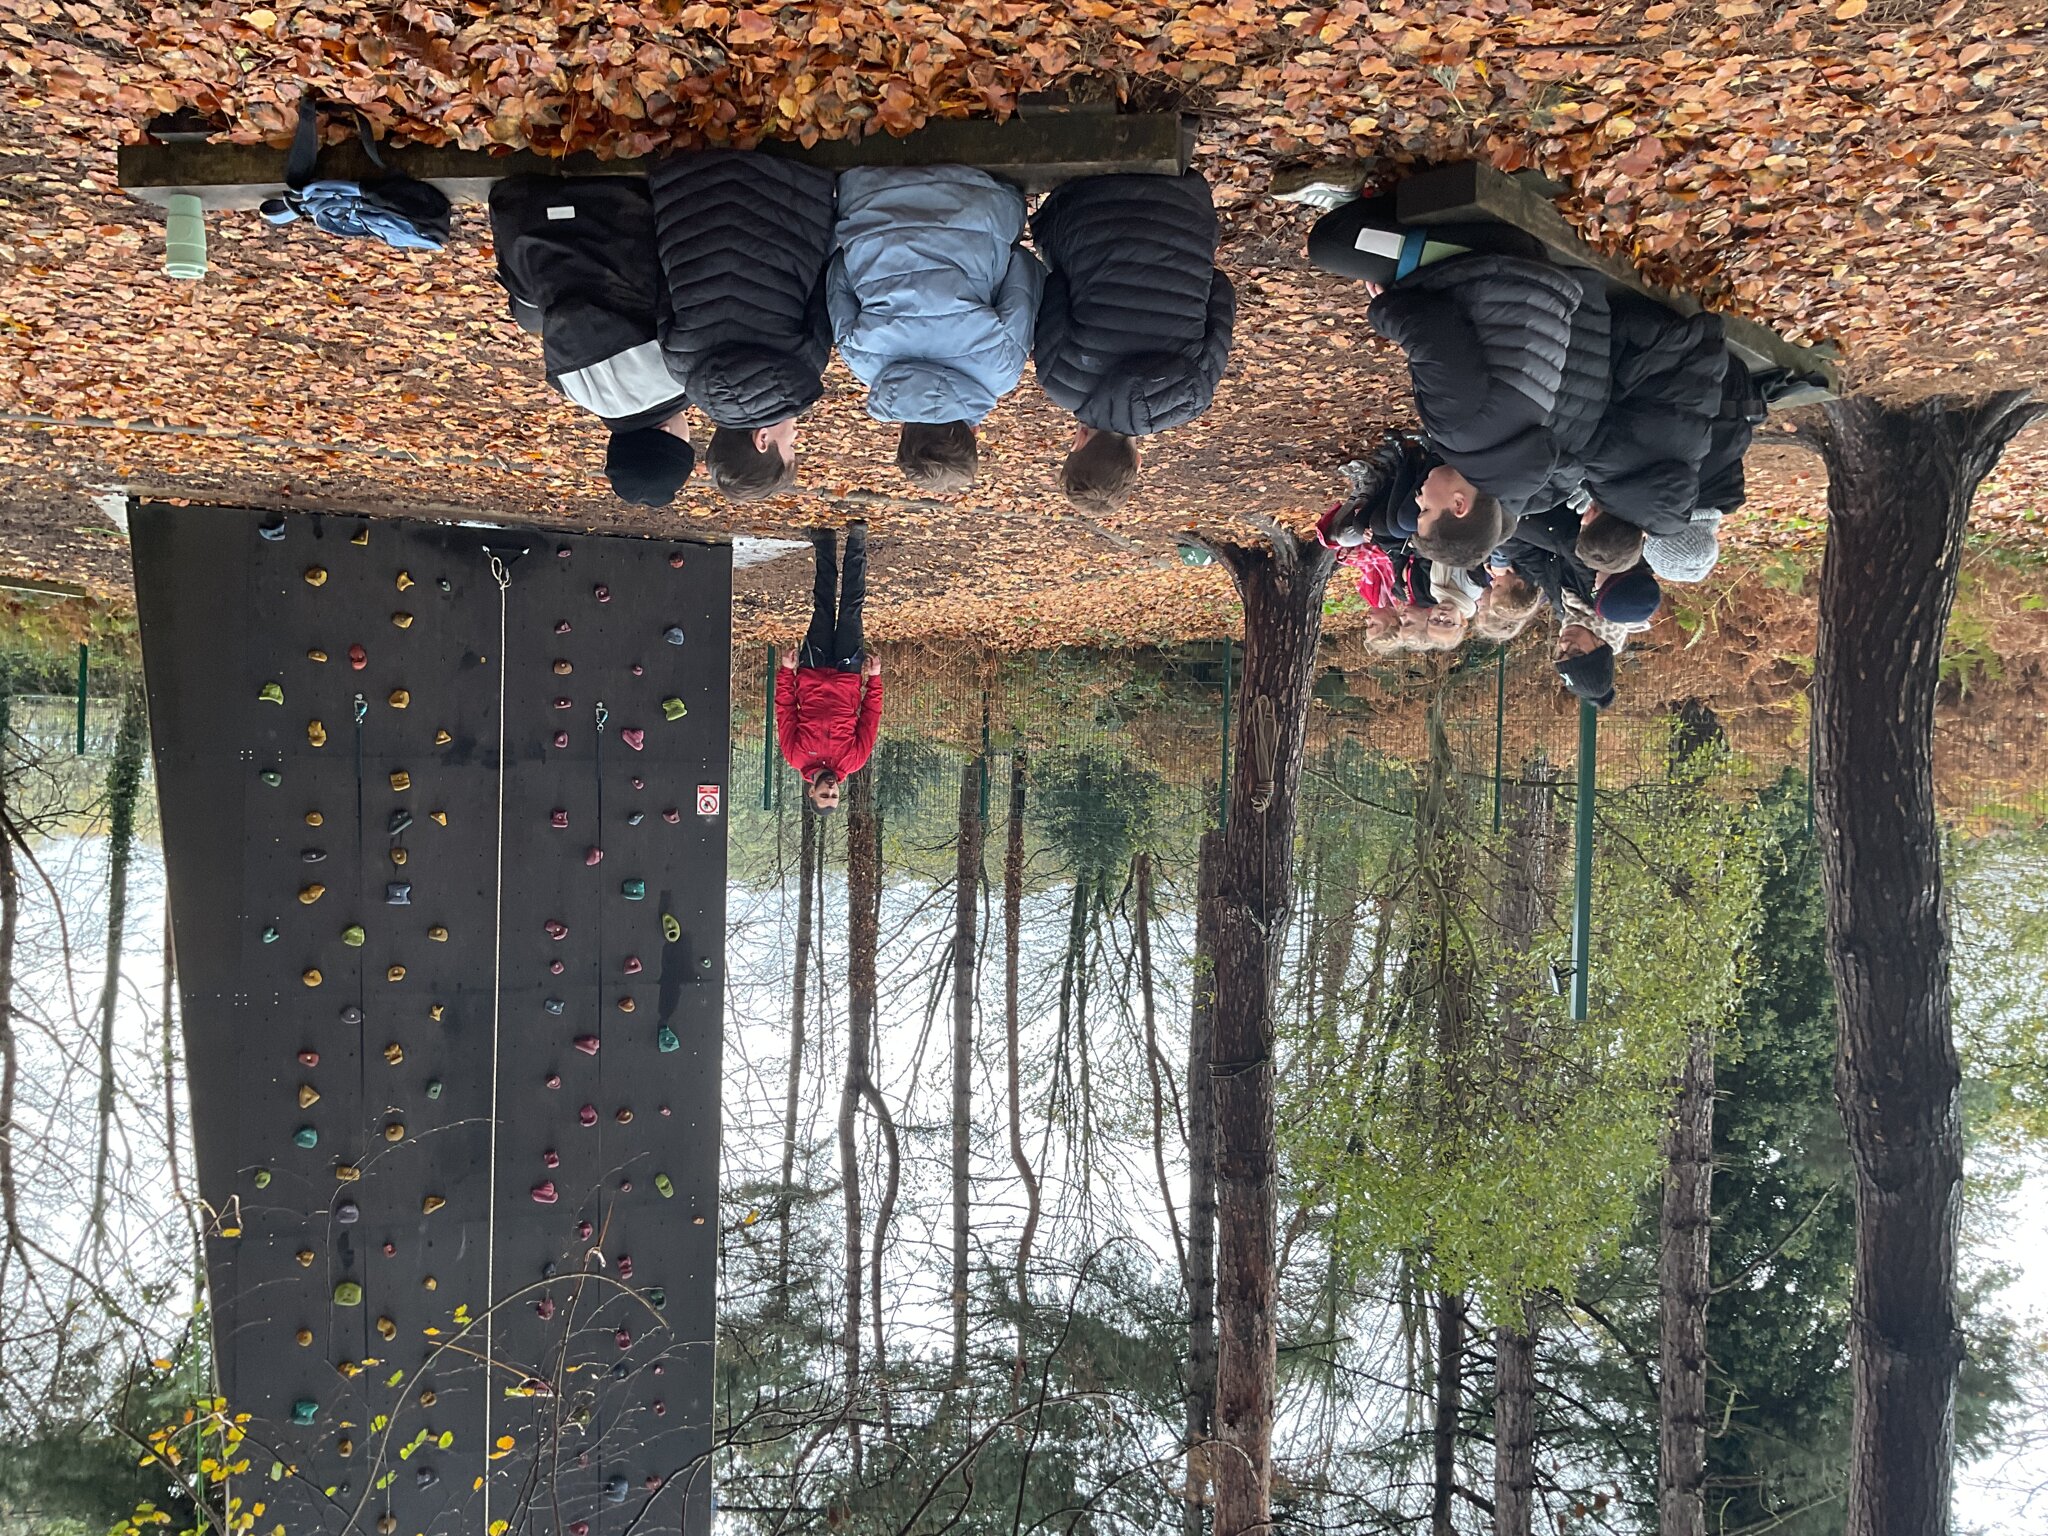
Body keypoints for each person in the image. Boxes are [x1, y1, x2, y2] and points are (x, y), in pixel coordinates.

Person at [1360, 251, 1613, 542]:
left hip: (1563, 294)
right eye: (1425, 510)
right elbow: (1432, 329)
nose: (1416, 500)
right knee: (1333, 246)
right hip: (1508, 268)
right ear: (1459, 505)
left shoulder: (1528, 461)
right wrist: (1381, 311)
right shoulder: (1463, 434)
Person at [826, 166, 1045, 493]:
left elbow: (1022, 265)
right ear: (904, 429)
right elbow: (840, 270)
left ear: (972, 432)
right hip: (869, 194)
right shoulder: (863, 361)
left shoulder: (1001, 369)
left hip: (980, 198)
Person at [1030, 172, 1237, 512]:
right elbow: (1056, 285)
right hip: (1085, 200)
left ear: (1137, 460)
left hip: (1186, 205)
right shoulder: (1058, 381)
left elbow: (1221, 289)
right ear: (1078, 442)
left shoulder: (1193, 394)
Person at [488, 176, 695, 506]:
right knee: (529, 314)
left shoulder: (683, 377)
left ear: (667, 435)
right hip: (526, 202)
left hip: (619, 197)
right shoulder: (572, 387)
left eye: (688, 441)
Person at [648, 152, 838, 500]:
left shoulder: (803, 369)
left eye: (791, 444)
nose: (796, 434)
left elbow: (826, 285)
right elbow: (664, 281)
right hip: (688, 182)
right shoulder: (680, 369)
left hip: (792, 182)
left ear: (762, 439)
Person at [777, 526, 882, 811]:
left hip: (812, 668)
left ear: (811, 791)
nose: (830, 791)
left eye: (825, 795)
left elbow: (785, 710)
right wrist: (874, 679)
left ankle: (825, 543)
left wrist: (787, 672)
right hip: (848, 673)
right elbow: (871, 717)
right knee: (851, 607)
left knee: (822, 607)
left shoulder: (795, 756)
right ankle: (857, 542)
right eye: (834, 796)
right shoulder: (854, 760)